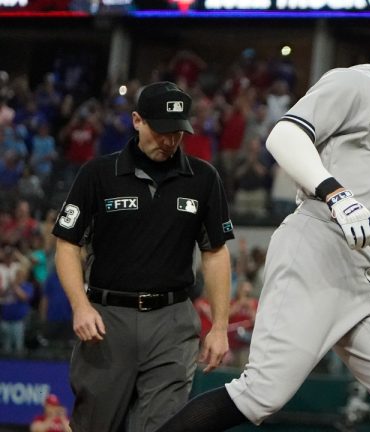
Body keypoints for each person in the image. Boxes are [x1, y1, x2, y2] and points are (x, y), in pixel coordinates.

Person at [156, 5, 370, 432]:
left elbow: (366, 213)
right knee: (260, 395)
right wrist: (336, 195)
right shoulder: (355, 82)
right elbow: (284, 135)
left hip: (363, 270)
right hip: (315, 247)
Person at [52, 81, 234, 432]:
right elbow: (67, 244)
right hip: (107, 321)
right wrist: (80, 306)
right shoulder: (98, 174)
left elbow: (215, 253)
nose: (170, 141)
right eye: (162, 130)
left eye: (178, 132)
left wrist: (220, 327)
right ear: (137, 120)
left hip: (172, 322)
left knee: (162, 426)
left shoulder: (203, 178)